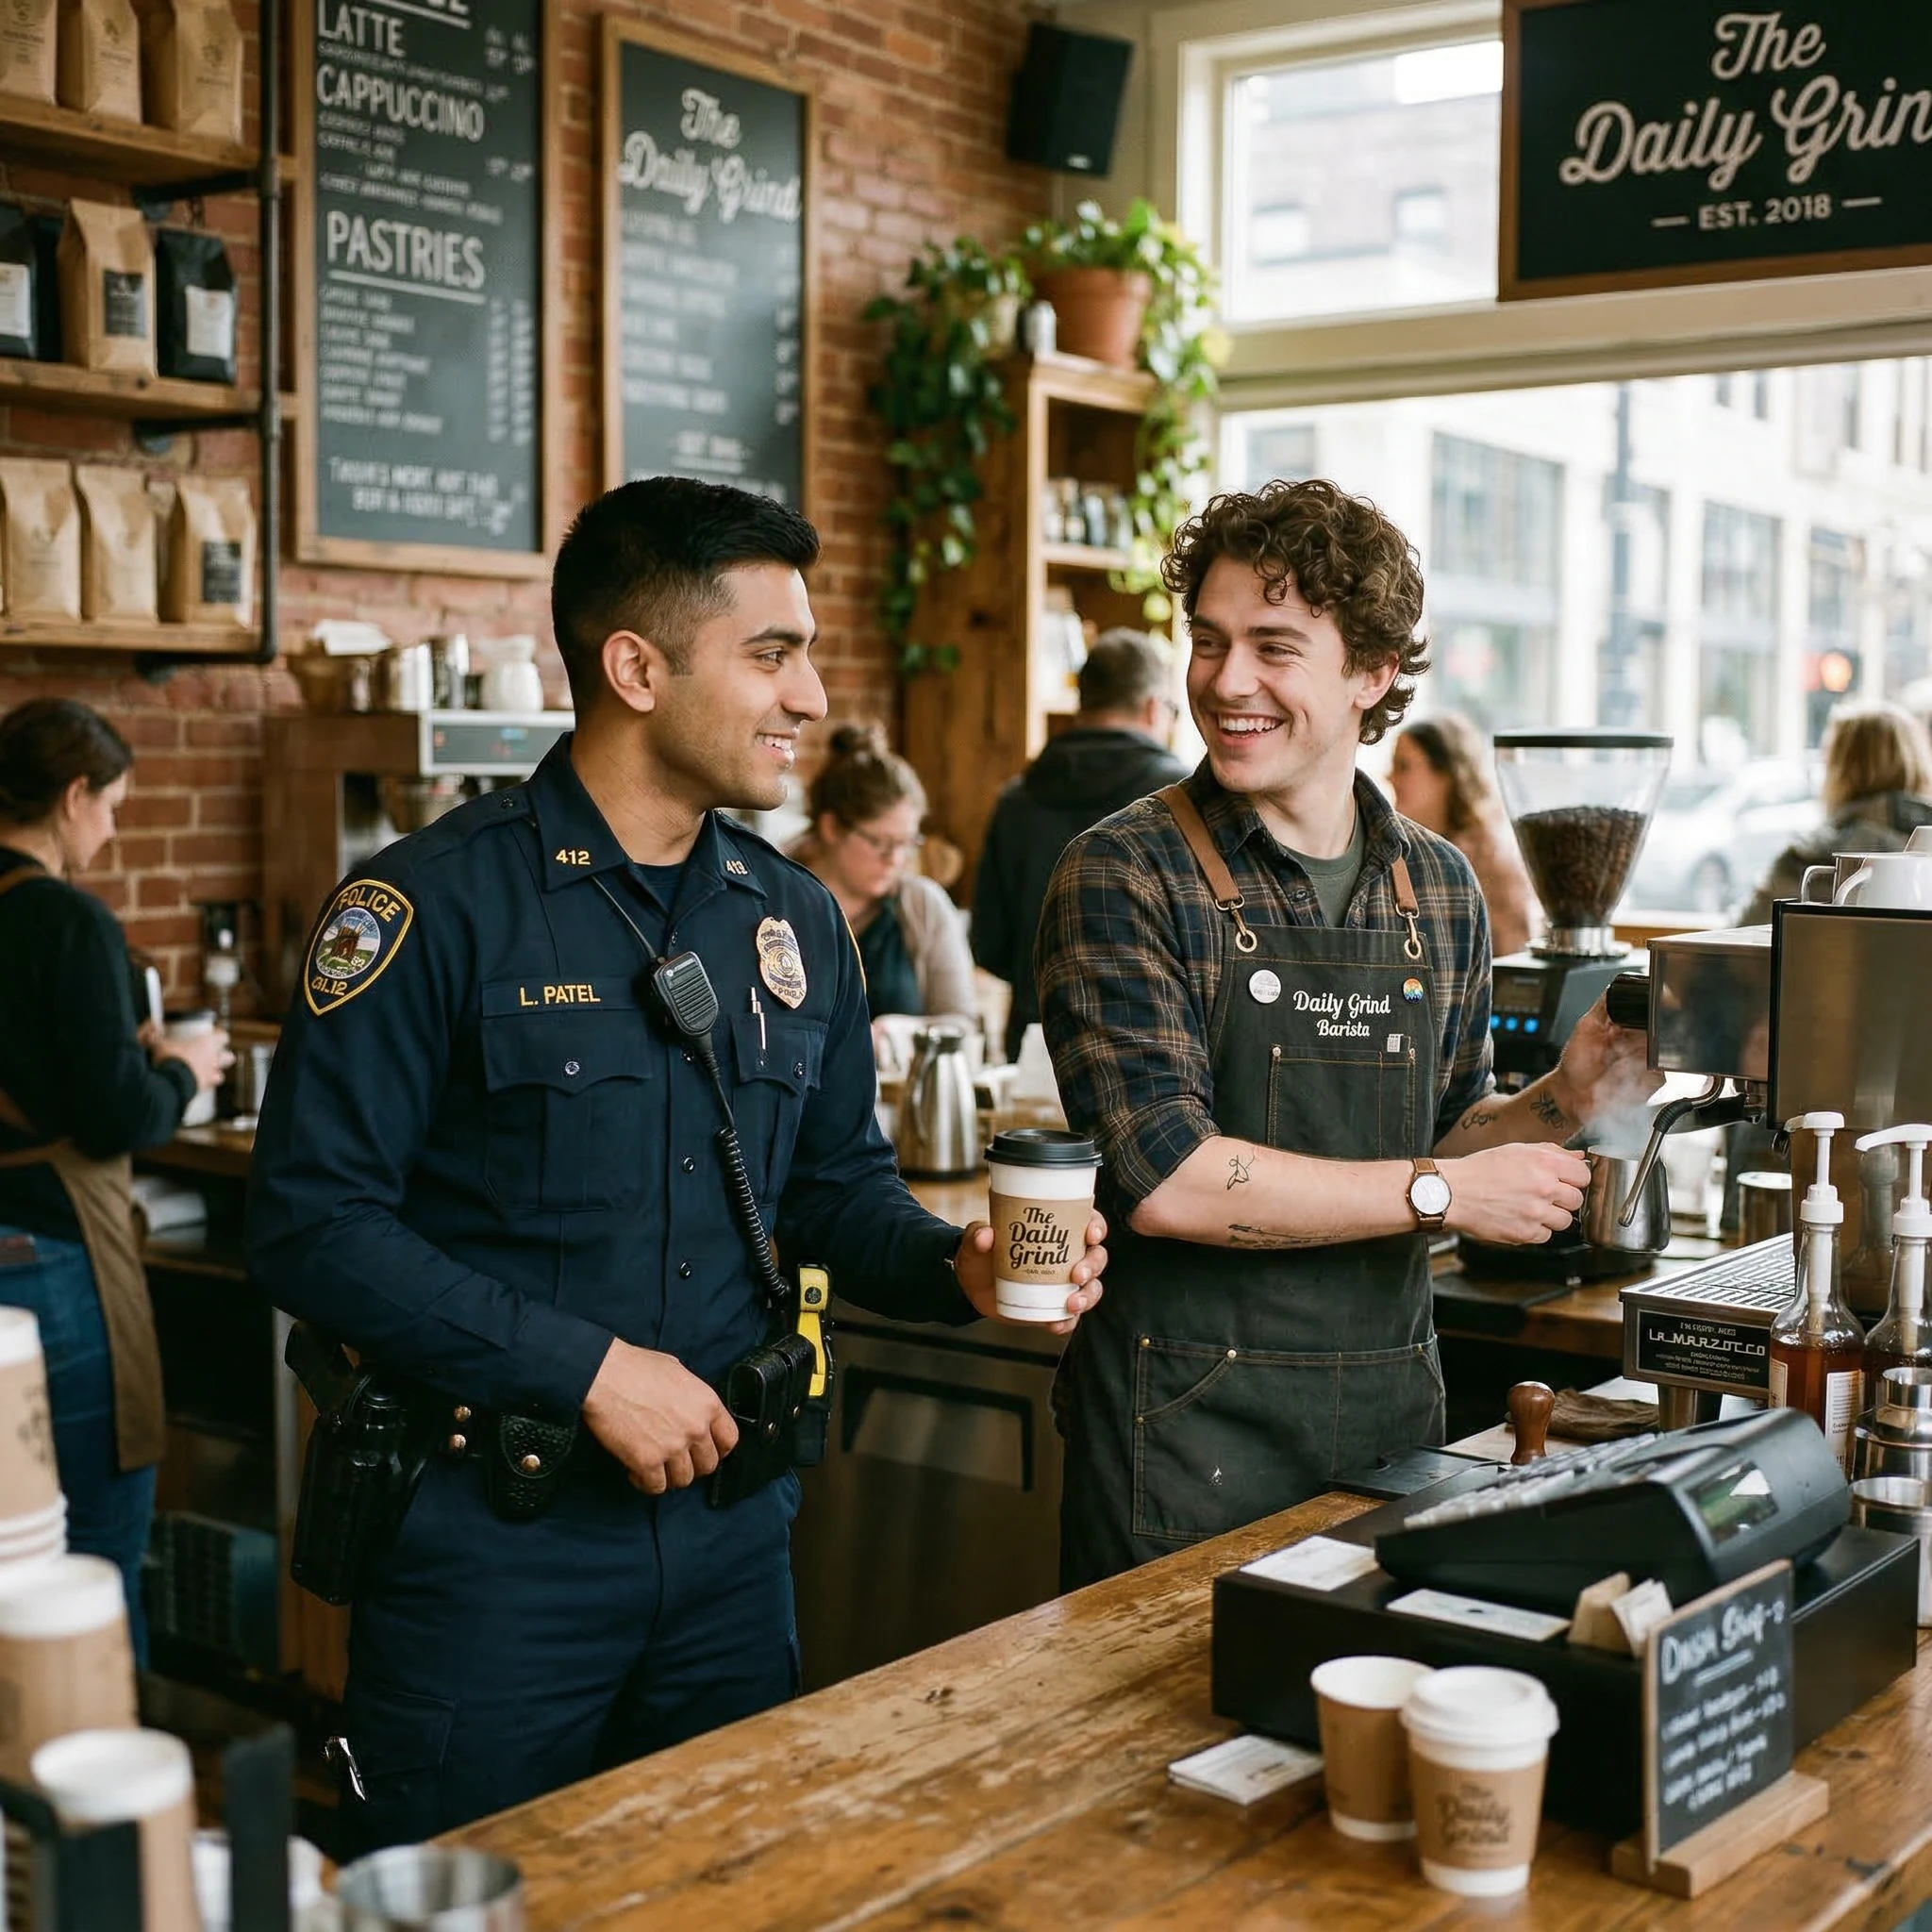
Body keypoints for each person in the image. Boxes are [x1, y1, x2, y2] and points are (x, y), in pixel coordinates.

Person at [245, 477, 1108, 1849]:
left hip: (730, 1542)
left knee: (723, 1883)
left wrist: (960, 1262)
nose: (811, 696)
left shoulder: (795, 920)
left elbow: (829, 1193)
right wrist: (585, 1370)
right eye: (772, 654)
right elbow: (310, 1229)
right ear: (634, 667)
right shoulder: (426, 907)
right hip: (493, 1551)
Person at [1035, 479, 1657, 1590]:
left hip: (1385, 1425)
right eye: (1210, 641)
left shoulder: (1439, 886)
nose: (1227, 682)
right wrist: (1440, 1196)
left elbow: (1439, 1136)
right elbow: (1165, 1177)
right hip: (1180, 1438)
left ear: (1371, 672)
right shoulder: (1123, 871)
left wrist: (1558, 1101)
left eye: (1274, 647)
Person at [0, 698, 230, 1656]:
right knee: (96, 1542)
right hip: (56, 1258)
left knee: (14, 1544)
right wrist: (186, 1071)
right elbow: (118, 1114)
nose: (112, 829)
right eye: (113, 808)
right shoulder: (68, 921)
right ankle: (108, 1769)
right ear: (74, 793)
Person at [974, 629, 1190, 1061]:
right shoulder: (1181, 798)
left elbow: (989, 945)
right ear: (1153, 707)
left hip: (1039, 1047)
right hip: (1155, 1052)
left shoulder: (1017, 799)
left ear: (1083, 704)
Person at [791, 722, 975, 1023]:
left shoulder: (922, 905)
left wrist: (904, 1035)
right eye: (881, 842)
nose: (896, 859)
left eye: (906, 843)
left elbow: (962, 1024)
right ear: (832, 828)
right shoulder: (774, 898)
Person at [1739, 699, 1932, 924]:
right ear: (1919, 763)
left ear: (1840, 771)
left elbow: (1736, 941)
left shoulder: (1806, 860)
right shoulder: (1922, 849)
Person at [1388, 712, 1539, 958]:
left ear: (1447, 775)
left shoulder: (1488, 862)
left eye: (1404, 766)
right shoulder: (1402, 853)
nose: (1390, 777)